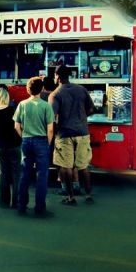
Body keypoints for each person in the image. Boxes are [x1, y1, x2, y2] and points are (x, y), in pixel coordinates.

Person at [51, 65, 95, 205]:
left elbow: (51, 117)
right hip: (82, 132)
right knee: (83, 166)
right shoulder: (81, 89)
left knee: (66, 166)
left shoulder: (55, 94)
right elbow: (91, 109)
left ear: (57, 76)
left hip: (64, 134)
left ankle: (71, 197)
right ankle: (88, 195)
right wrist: (82, 119)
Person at [14, 77, 54, 217]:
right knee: (41, 176)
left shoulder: (22, 104)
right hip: (41, 141)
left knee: (25, 174)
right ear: (42, 89)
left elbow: (16, 126)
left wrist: (24, 136)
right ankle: (39, 208)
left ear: (27, 89)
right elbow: (50, 129)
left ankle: (21, 206)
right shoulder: (46, 106)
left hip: (26, 141)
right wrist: (47, 143)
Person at [0, 86, 22, 208]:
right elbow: (19, 126)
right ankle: (17, 201)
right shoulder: (13, 110)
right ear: (7, 97)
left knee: (2, 173)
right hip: (14, 145)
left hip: (1, 146)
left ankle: (3, 201)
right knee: (16, 174)